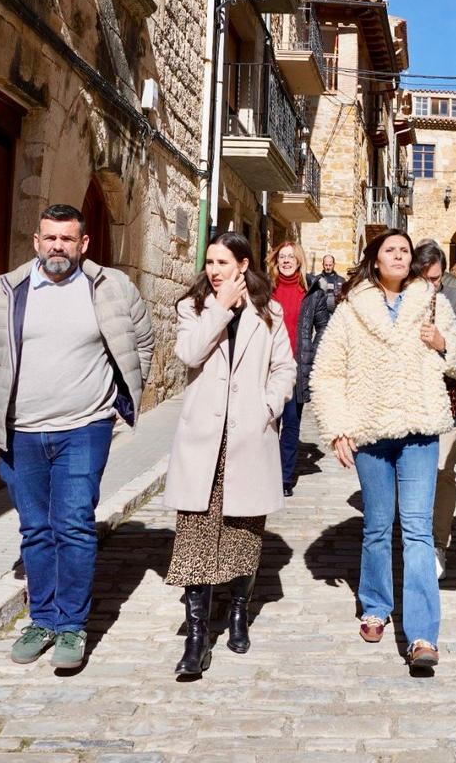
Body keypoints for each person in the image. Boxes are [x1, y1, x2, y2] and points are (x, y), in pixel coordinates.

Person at [0, 203, 154, 670]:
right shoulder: (3, 292)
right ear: (37, 242)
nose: (58, 246)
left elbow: (142, 339)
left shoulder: (111, 288)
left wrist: (122, 398)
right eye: (50, 238)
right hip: (20, 433)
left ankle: (72, 626)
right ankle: (42, 617)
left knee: (75, 523)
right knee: (36, 528)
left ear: (83, 244)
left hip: (85, 427)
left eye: (67, 239)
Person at [310, 229, 456, 669]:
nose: (398, 255)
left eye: (404, 250)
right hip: (370, 432)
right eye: (390, 250)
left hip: (419, 428)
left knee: (417, 530)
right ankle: (376, 604)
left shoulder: (433, 301)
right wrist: (338, 429)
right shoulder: (350, 309)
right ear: (375, 260)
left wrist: (442, 344)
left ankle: (422, 635)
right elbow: (327, 374)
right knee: (378, 526)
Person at [162, 232, 296, 674]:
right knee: (195, 537)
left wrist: (269, 407)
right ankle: (196, 638)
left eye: (222, 262)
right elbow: (189, 352)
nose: (213, 270)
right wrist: (219, 308)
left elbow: (285, 369)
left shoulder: (270, 312)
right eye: (209, 262)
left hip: (248, 437)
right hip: (205, 439)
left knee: (243, 530)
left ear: (243, 265)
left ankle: (239, 611)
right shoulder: (193, 308)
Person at [412, 241, 456, 579]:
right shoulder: (399, 302)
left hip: (447, 406)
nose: (430, 286)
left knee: (442, 475)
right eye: (423, 278)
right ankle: (415, 540)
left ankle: (438, 542)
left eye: (435, 279)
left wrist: (443, 344)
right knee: (411, 478)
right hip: (406, 407)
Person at [268, 240, 330, 496]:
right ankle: (266, 473)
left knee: (291, 425)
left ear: (299, 261)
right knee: (268, 423)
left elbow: (324, 327)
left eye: (290, 257)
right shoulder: (265, 290)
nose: (285, 261)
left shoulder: (312, 292)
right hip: (267, 368)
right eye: (281, 257)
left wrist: (311, 354)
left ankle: (284, 478)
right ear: (275, 261)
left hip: (296, 368)